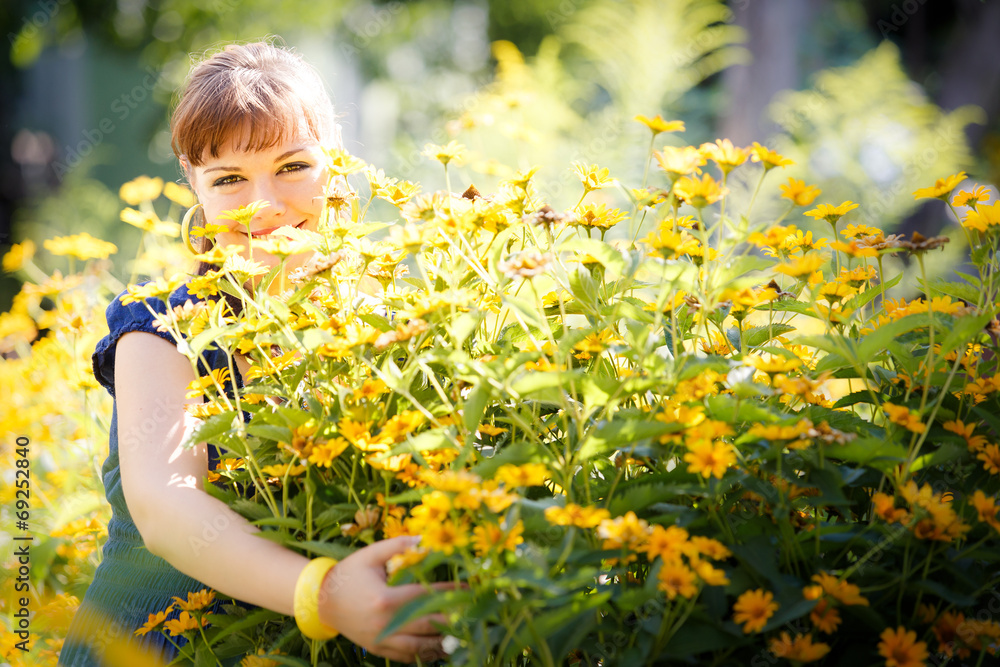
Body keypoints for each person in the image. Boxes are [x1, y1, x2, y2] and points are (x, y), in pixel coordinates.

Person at [59, 40, 449, 666]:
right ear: (196, 189)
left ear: (336, 165)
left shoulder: (385, 321)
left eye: (293, 166)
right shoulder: (161, 328)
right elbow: (165, 507)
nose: (263, 204)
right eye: (230, 179)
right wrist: (326, 595)